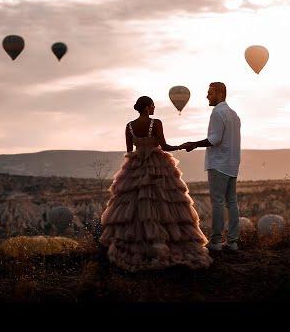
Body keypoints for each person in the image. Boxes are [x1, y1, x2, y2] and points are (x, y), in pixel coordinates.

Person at [99, 96, 212, 272]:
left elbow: (129, 151)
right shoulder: (155, 123)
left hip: (135, 167)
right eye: (152, 106)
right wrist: (181, 146)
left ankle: (140, 243)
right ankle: (163, 242)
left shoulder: (129, 126)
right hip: (157, 167)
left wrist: (136, 164)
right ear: (146, 108)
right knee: (164, 204)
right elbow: (165, 146)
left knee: (136, 205)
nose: (154, 109)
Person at [182, 82, 241, 252]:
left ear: (220, 94)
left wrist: (194, 144)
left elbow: (214, 139)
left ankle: (215, 241)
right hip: (232, 163)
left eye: (210, 93)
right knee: (232, 202)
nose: (207, 96)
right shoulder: (234, 114)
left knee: (217, 202)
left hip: (219, 164)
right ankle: (232, 242)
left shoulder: (217, 113)